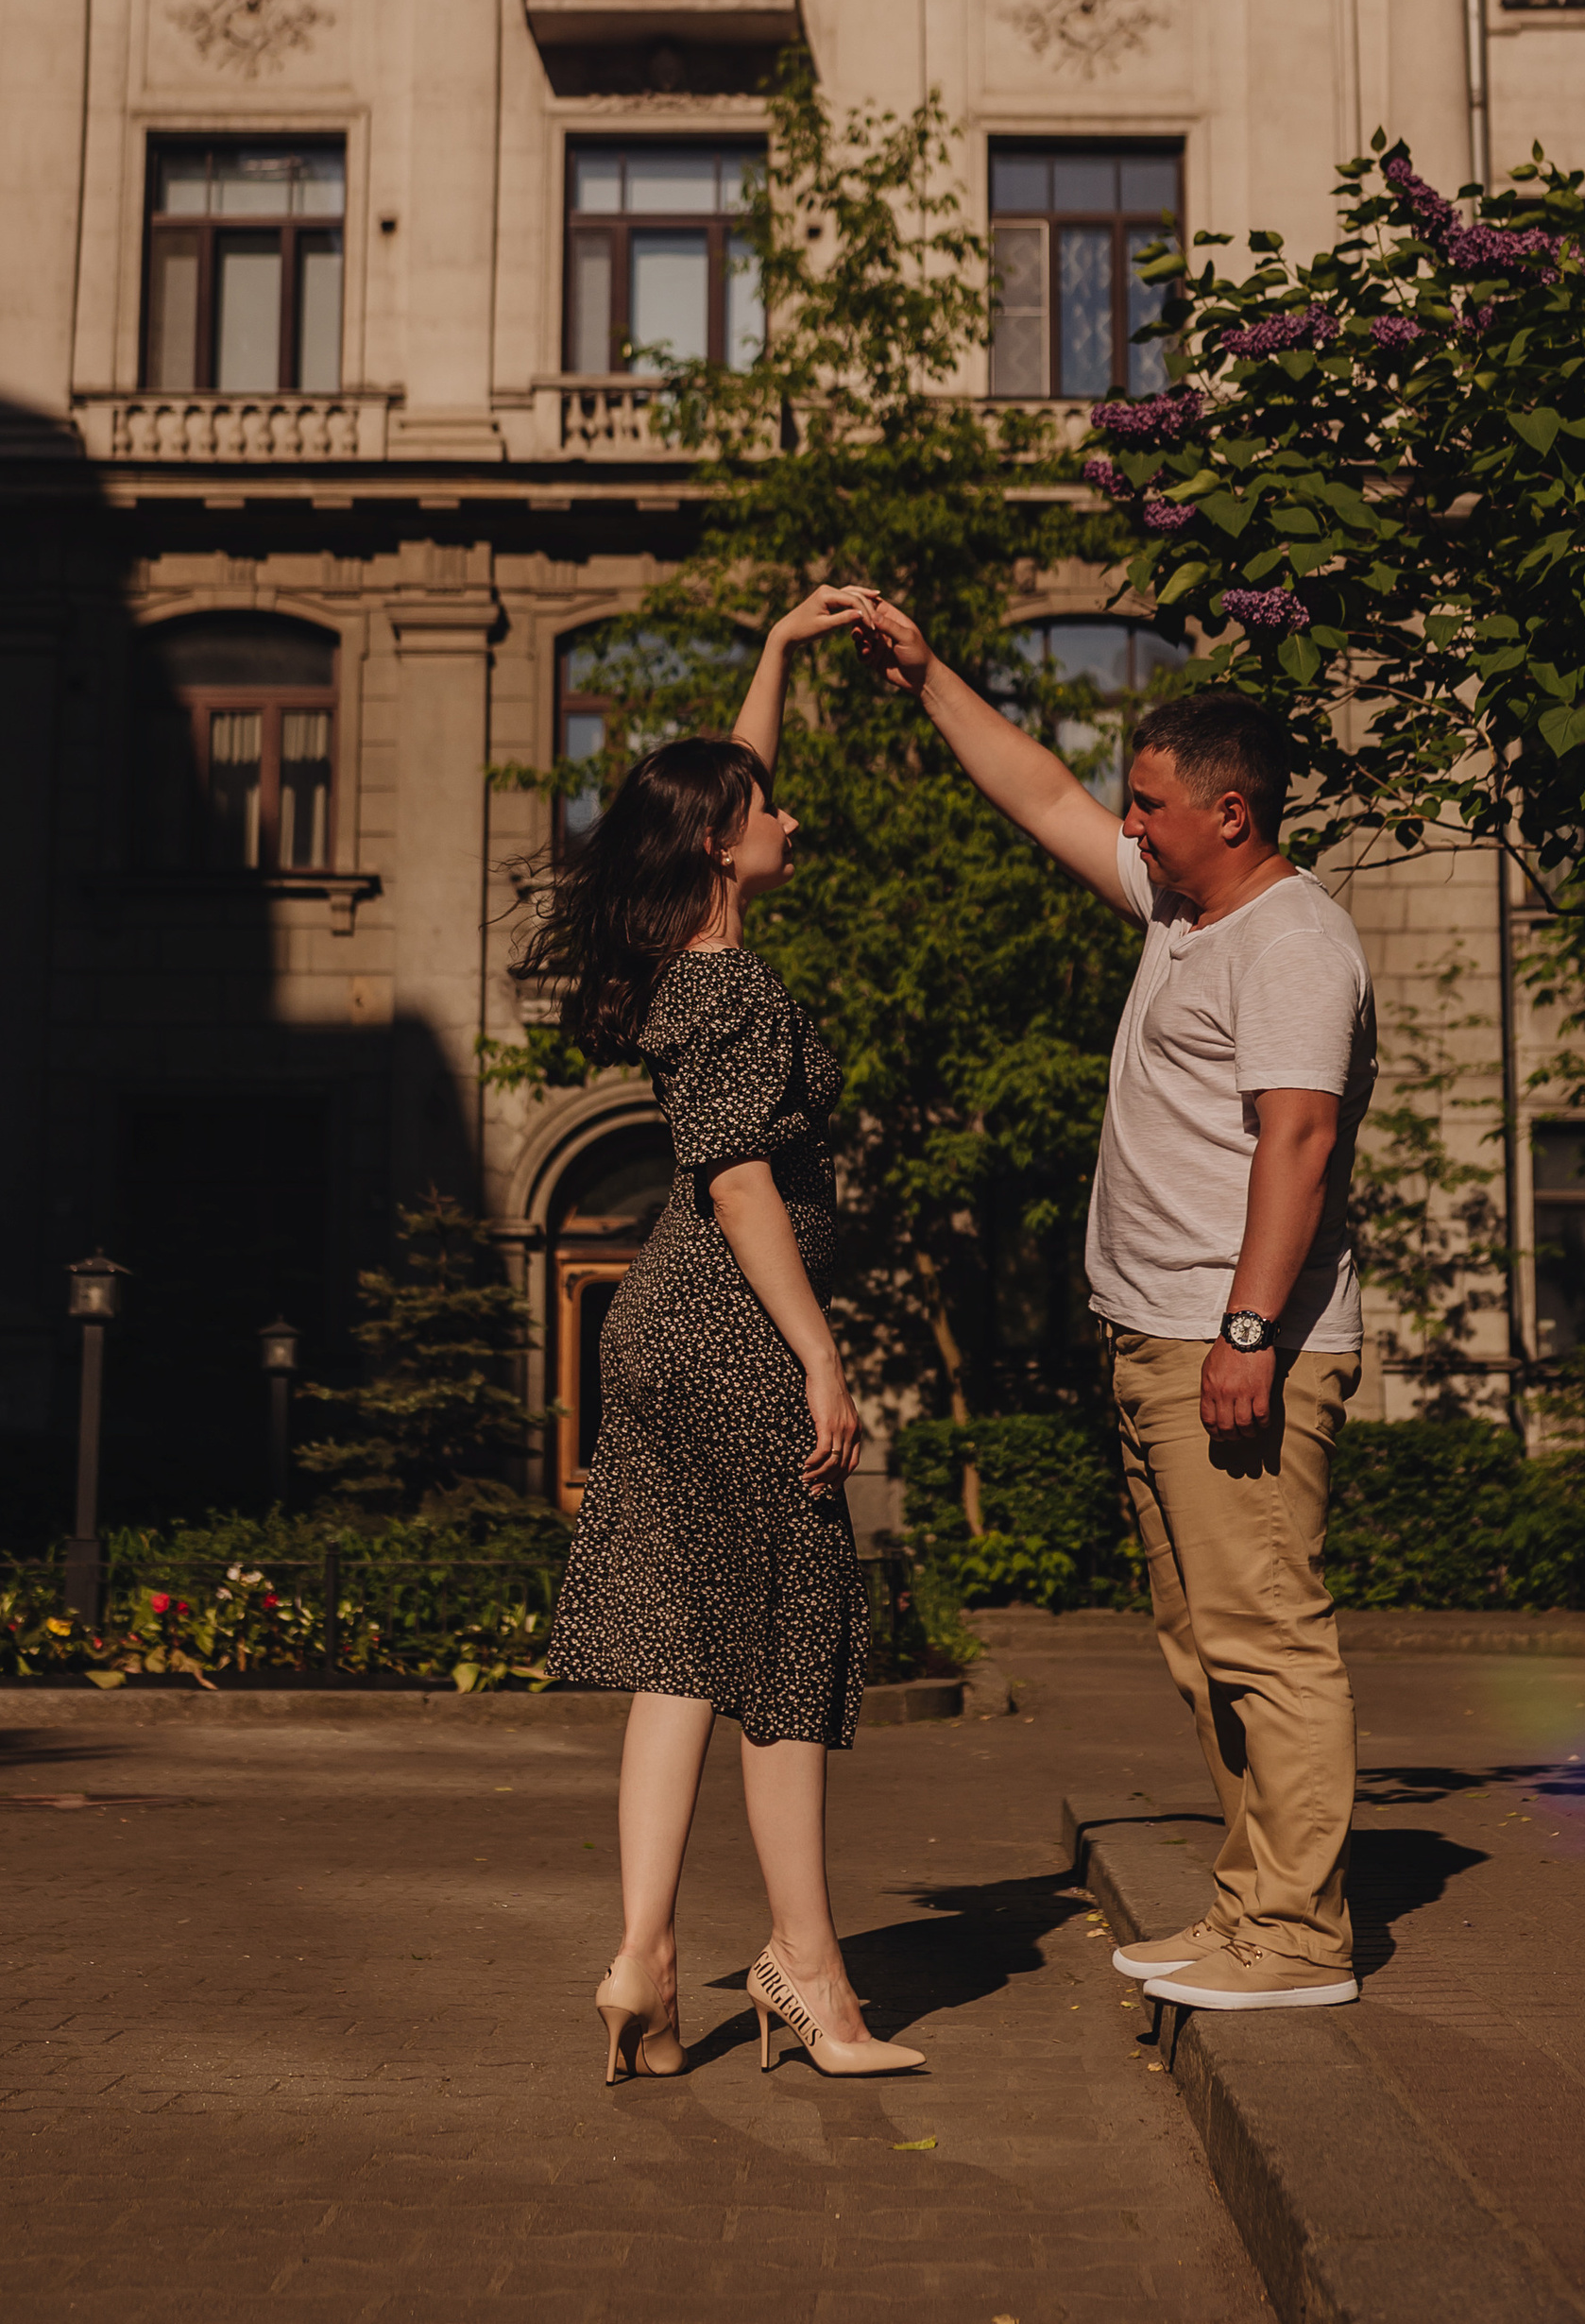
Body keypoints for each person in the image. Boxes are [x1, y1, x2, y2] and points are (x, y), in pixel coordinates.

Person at [855, 605, 1374, 2013]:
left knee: (1266, 1638)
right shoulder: (1184, 909)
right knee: (1207, 1647)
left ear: (1231, 812)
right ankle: (1252, 1906)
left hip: (1233, 1343)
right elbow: (1037, 794)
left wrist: (1248, 1334)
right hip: (1160, 1338)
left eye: (1149, 805)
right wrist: (929, 679)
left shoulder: (1289, 941)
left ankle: (1301, 1937)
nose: (1128, 825)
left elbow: (1301, 1142)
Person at [529, 585, 925, 2088]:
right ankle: (810, 1975)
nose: (791, 819)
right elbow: (746, 1180)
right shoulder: (740, 989)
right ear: (717, 844)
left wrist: (775, 652)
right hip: (735, 1329)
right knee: (786, 1645)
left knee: (687, 1645)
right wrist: (821, 1356)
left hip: (658, 1324)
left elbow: (720, 789)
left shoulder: (674, 966)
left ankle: (642, 1961)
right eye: (770, 812)